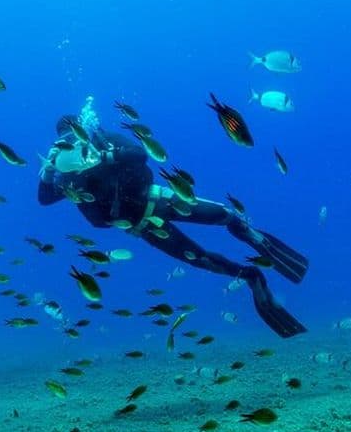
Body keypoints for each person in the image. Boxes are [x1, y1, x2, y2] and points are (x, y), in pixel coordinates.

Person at [38, 113, 309, 338]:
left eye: (74, 137)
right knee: (200, 258)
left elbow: (140, 154)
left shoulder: (104, 141)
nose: (72, 144)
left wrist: (106, 157)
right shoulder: (66, 174)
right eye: (65, 141)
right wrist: (48, 171)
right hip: (144, 226)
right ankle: (251, 275)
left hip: (162, 199)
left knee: (225, 214)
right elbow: (44, 199)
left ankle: (255, 239)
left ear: (85, 130)